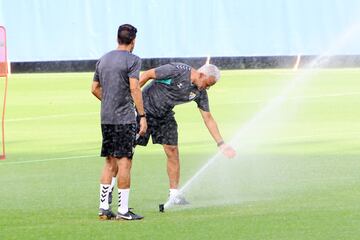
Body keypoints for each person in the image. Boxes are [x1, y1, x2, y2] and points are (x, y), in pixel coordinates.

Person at [137, 62, 236, 204]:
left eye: (210, 86)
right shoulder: (176, 70)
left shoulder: (200, 93)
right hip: (144, 111)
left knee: (173, 151)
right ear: (201, 75)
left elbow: (208, 118)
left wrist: (221, 143)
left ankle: (174, 195)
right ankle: (111, 190)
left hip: (165, 115)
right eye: (207, 84)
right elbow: (147, 74)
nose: (207, 88)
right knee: (126, 152)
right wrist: (130, 97)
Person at [91, 24, 147, 220]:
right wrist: (142, 115)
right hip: (124, 119)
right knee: (124, 163)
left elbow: (94, 88)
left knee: (109, 162)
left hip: (106, 118)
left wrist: (109, 101)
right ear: (133, 41)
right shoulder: (133, 60)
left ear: (117, 39)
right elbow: (135, 88)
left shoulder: (103, 59)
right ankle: (123, 210)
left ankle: (103, 208)